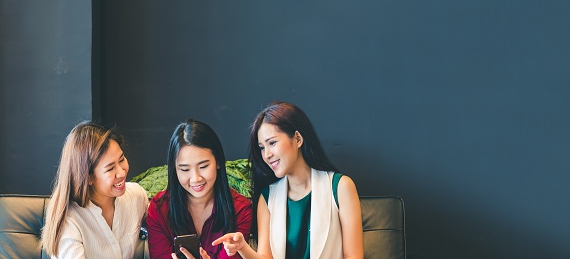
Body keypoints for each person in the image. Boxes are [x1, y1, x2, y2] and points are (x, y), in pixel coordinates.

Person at [212, 101, 364, 259]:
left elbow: (353, 256)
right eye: (262, 147)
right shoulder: (267, 197)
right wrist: (243, 247)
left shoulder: (341, 186)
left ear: (297, 139)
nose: (267, 154)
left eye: (272, 143)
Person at [146, 119, 253, 259]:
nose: (195, 178)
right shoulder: (159, 209)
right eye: (184, 169)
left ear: (218, 162)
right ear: (174, 169)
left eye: (203, 167)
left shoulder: (240, 209)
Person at [41, 121, 149, 259]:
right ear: (88, 177)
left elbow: (162, 227)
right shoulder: (70, 221)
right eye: (110, 169)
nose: (121, 173)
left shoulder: (136, 196)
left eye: (121, 160)